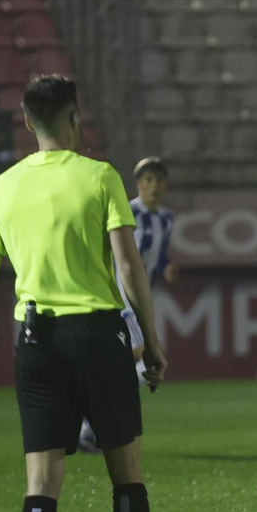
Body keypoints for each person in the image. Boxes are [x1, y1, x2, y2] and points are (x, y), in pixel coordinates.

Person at [0, 75, 171, 512]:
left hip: (37, 340)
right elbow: (129, 266)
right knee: (126, 475)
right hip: (99, 337)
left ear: (27, 123)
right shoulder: (100, 176)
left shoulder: (1, 187)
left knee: (41, 483)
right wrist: (150, 342)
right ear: (74, 118)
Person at [79, 156, 179, 454]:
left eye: (159, 180)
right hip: (121, 300)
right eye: (148, 180)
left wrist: (166, 266)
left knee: (124, 364)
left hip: (138, 299)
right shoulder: (128, 213)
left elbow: (156, 255)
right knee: (145, 357)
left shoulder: (166, 218)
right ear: (138, 184)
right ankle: (92, 425)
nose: (154, 185)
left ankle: (89, 422)